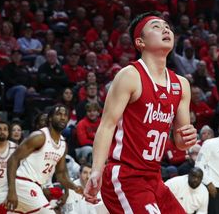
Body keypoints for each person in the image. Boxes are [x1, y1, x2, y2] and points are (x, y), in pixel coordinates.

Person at [82, 12, 198, 213]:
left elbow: (180, 143)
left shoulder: (182, 84)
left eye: (167, 27)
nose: (165, 29)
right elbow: (107, 126)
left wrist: (188, 138)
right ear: (140, 42)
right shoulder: (130, 75)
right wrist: (96, 171)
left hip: (154, 176)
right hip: (125, 175)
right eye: (156, 26)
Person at [5, 105, 82, 214]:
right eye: (59, 114)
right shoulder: (39, 137)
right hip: (24, 183)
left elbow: (61, 174)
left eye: (65, 115)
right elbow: (13, 159)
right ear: (50, 118)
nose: (63, 117)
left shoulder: (63, 144)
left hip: (36, 186)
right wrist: (11, 190)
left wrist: (75, 187)